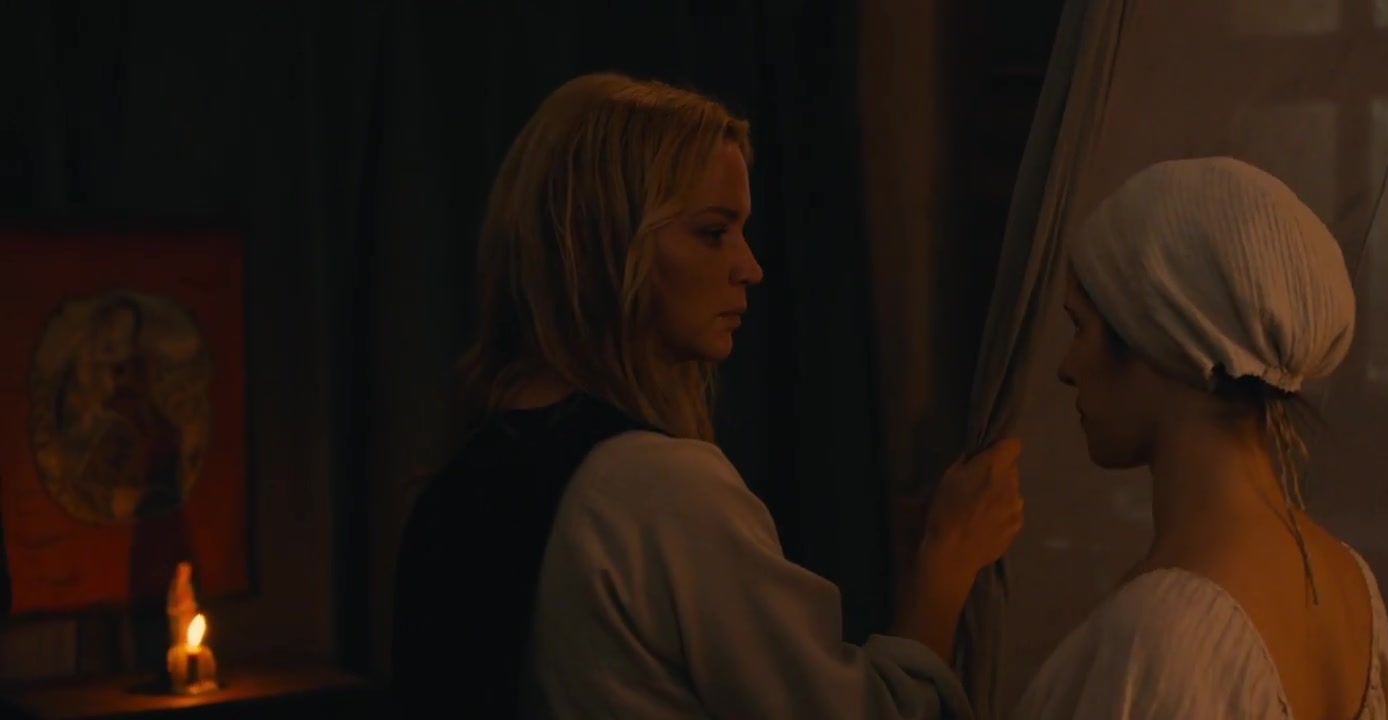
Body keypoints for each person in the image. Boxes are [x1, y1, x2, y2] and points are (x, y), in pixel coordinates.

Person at [391, 72, 1024, 720]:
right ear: (609, 241)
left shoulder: (453, 487)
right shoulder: (654, 488)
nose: (750, 267)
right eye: (713, 232)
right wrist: (946, 562)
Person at [1014, 157, 1388, 719]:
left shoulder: (1160, 636)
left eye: (1081, 328)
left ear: (1159, 337)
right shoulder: (1351, 584)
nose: (1066, 367)